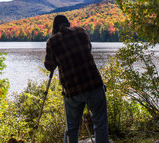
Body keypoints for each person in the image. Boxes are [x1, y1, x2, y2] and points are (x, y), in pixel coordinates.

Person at [44, 15, 110, 143]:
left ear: (54, 28)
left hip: (72, 90)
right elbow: (88, 49)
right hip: (94, 84)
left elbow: (49, 66)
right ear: (68, 23)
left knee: (71, 127)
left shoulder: (52, 41)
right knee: (100, 123)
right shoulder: (81, 31)